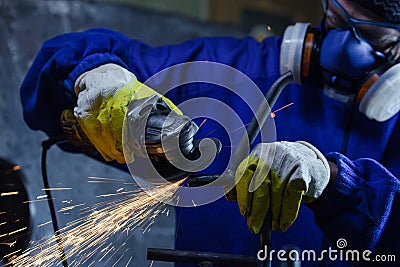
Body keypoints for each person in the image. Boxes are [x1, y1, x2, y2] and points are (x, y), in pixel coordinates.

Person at [20, 0, 400, 266]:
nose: (346, 47)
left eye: (370, 35)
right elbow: (59, 67)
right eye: (337, 18)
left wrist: (336, 183)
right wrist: (104, 84)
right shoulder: (229, 72)